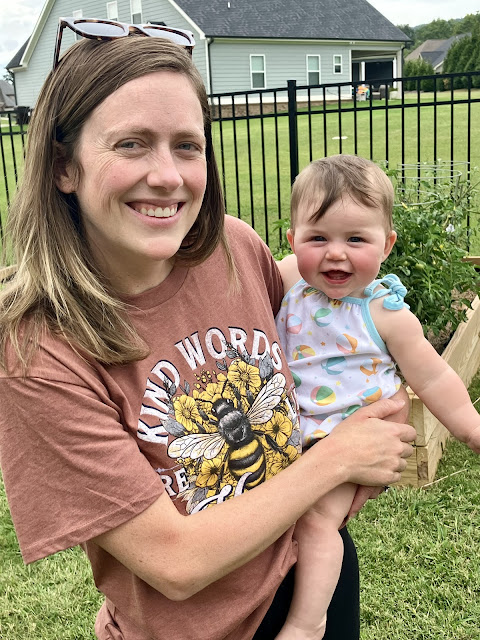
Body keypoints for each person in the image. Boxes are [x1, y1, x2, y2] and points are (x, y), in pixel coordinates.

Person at [0, 23, 416, 640]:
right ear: (64, 166)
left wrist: (380, 337)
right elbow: (175, 564)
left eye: (187, 146)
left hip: (314, 574)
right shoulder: (37, 349)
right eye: (132, 144)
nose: (168, 176)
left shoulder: (233, 247)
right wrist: (338, 458)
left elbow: (318, 337)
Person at [275, 154, 480, 640]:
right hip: (293, 439)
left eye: (356, 239)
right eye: (318, 238)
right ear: (293, 241)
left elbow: (433, 378)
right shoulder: (291, 283)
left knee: (318, 522)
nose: (336, 254)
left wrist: (470, 428)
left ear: (386, 244)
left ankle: (307, 622)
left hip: (350, 442)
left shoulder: (386, 313)